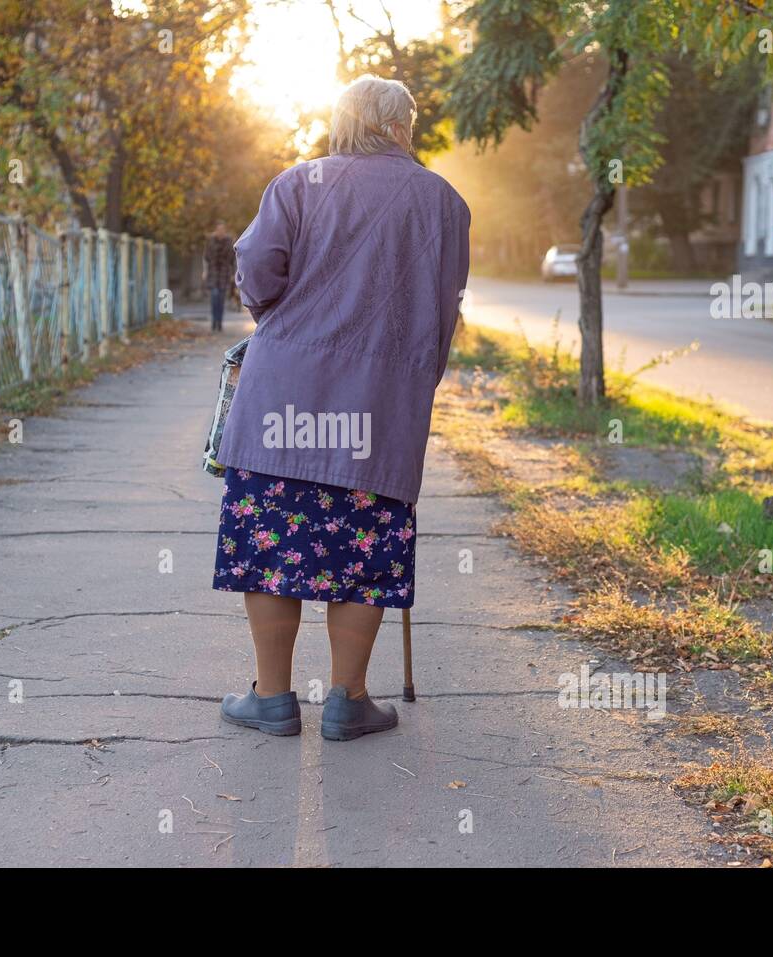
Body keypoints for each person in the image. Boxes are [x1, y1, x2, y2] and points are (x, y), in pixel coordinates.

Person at [211, 76, 471, 741]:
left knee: (274, 545)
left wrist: (280, 321)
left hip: (284, 401)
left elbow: (256, 267)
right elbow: (445, 309)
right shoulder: (444, 202)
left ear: (342, 120)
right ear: (400, 128)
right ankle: (348, 699)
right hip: (380, 409)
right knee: (362, 546)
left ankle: (272, 698)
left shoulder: (298, 184)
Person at [202, 222, 236, 332]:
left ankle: (219, 323)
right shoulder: (210, 241)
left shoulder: (229, 241)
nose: (220, 231)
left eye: (222, 229)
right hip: (213, 272)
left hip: (224, 273)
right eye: (218, 229)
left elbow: (233, 259)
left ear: (224, 231)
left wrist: (233, 274)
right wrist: (205, 271)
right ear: (216, 230)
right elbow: (206, 257)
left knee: (221, 299)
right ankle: (214, 321)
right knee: (214, 297)